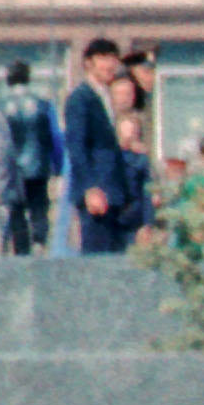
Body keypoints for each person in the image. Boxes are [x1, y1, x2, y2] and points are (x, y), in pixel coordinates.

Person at [62, 39, 153, 256]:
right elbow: (77, 148)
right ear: (88, 63)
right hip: (98, 194)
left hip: (116, 194)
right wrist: (90, 188)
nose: (110, 65)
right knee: (97, 260)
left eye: (113, 58)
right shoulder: (81, 98)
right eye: (103, 58)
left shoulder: (105, 96)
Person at [0, 58, 60, 258]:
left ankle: (21, 249)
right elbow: (54, 136)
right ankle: (39, 241)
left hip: (12, 168)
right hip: (38, 165)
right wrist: (58, 165)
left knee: (16, 210)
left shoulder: (0, 106)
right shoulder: (42, 104)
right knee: (39, 207)